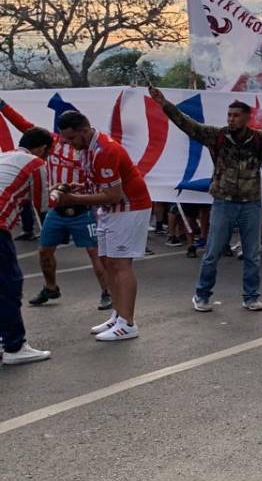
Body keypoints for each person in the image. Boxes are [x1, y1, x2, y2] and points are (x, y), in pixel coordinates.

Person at [148, 86, 262, 313]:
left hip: (251, 204)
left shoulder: (261, 140)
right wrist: (164, 103)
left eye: (236, 116)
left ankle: (251, 297)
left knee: (252, 255)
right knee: (212, 252)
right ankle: (202, 295)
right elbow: (187, 124)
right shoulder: (217, 136)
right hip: (223, 202)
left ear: (247, 118)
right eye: (229, 115)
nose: (231, 119)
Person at [0, 97, 110, 311]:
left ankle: (107, 292)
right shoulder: (51, 142)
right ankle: (51, 287)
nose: (68, 140)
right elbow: (25, 127)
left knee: (95, 252)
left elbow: (100, 177)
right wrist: (3, 106)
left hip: (81, 208)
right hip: (55, 208)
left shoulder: (88, 151)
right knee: (44, 251)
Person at [55, 111, 153, 342]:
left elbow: (112, 194)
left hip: (129, 208)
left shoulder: (104, 151)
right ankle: (119, 315)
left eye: (70, 139)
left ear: (83, 130)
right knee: (108, 262)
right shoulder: (88, 148)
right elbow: (99, 184)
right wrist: (77, 187)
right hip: (112, 210)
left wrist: (73, 200)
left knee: (120, 263)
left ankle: (127, 323)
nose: (68, 144)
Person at [0, 127, 55, 364]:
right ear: (42, 148)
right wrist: (61, 193)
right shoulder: (35, 164)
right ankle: (14, 346)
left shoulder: (4, 157)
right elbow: (42, 204)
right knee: (9, 285)